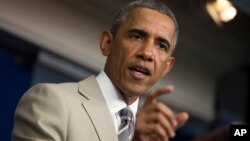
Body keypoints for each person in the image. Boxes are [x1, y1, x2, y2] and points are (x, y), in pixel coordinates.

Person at [12, 0, 189, 141]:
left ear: (166, 67)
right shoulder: (51, 101)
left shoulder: (151, 136)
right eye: (137, 36)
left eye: (161, 46)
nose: (147, 53)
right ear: (107, 43)